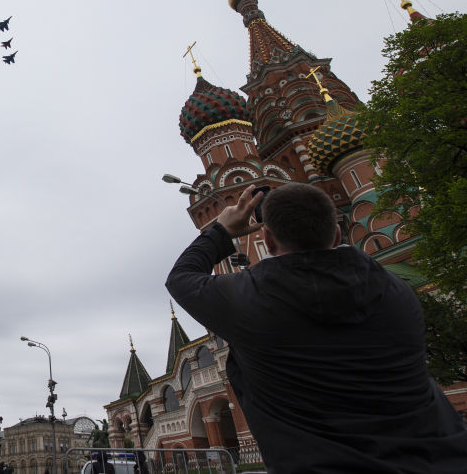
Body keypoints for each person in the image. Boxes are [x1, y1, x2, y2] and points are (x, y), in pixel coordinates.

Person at [166, 183, 467, 473]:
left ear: (267, 240)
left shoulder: (251, 302)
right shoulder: (396, 292)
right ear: (336, 234)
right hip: (439, 459)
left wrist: (221, 230)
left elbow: (181, 277)